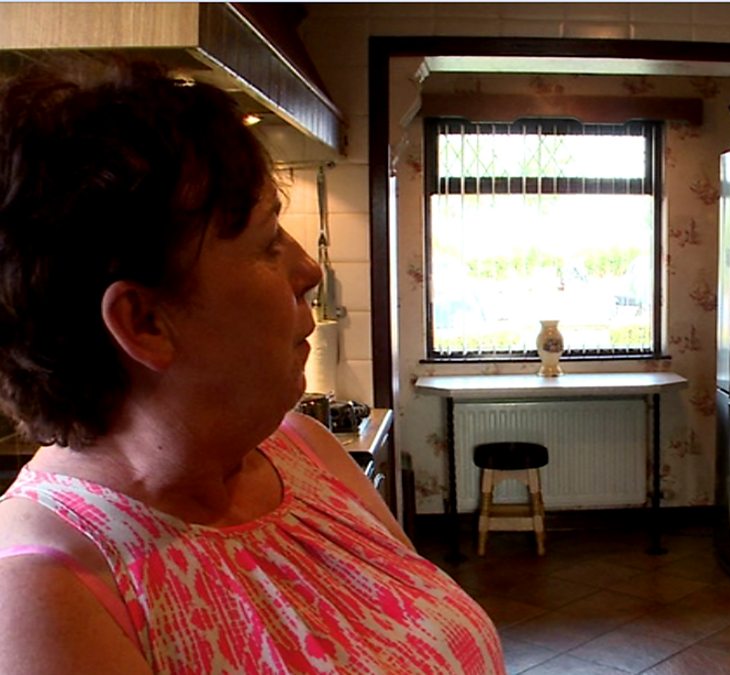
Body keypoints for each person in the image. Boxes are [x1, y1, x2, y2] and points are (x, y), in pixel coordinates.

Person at [0, 59, 503, 674]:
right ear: (145, 322)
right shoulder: (42, 599)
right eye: (268, 243)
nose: (308, 270)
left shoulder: (305, 451)